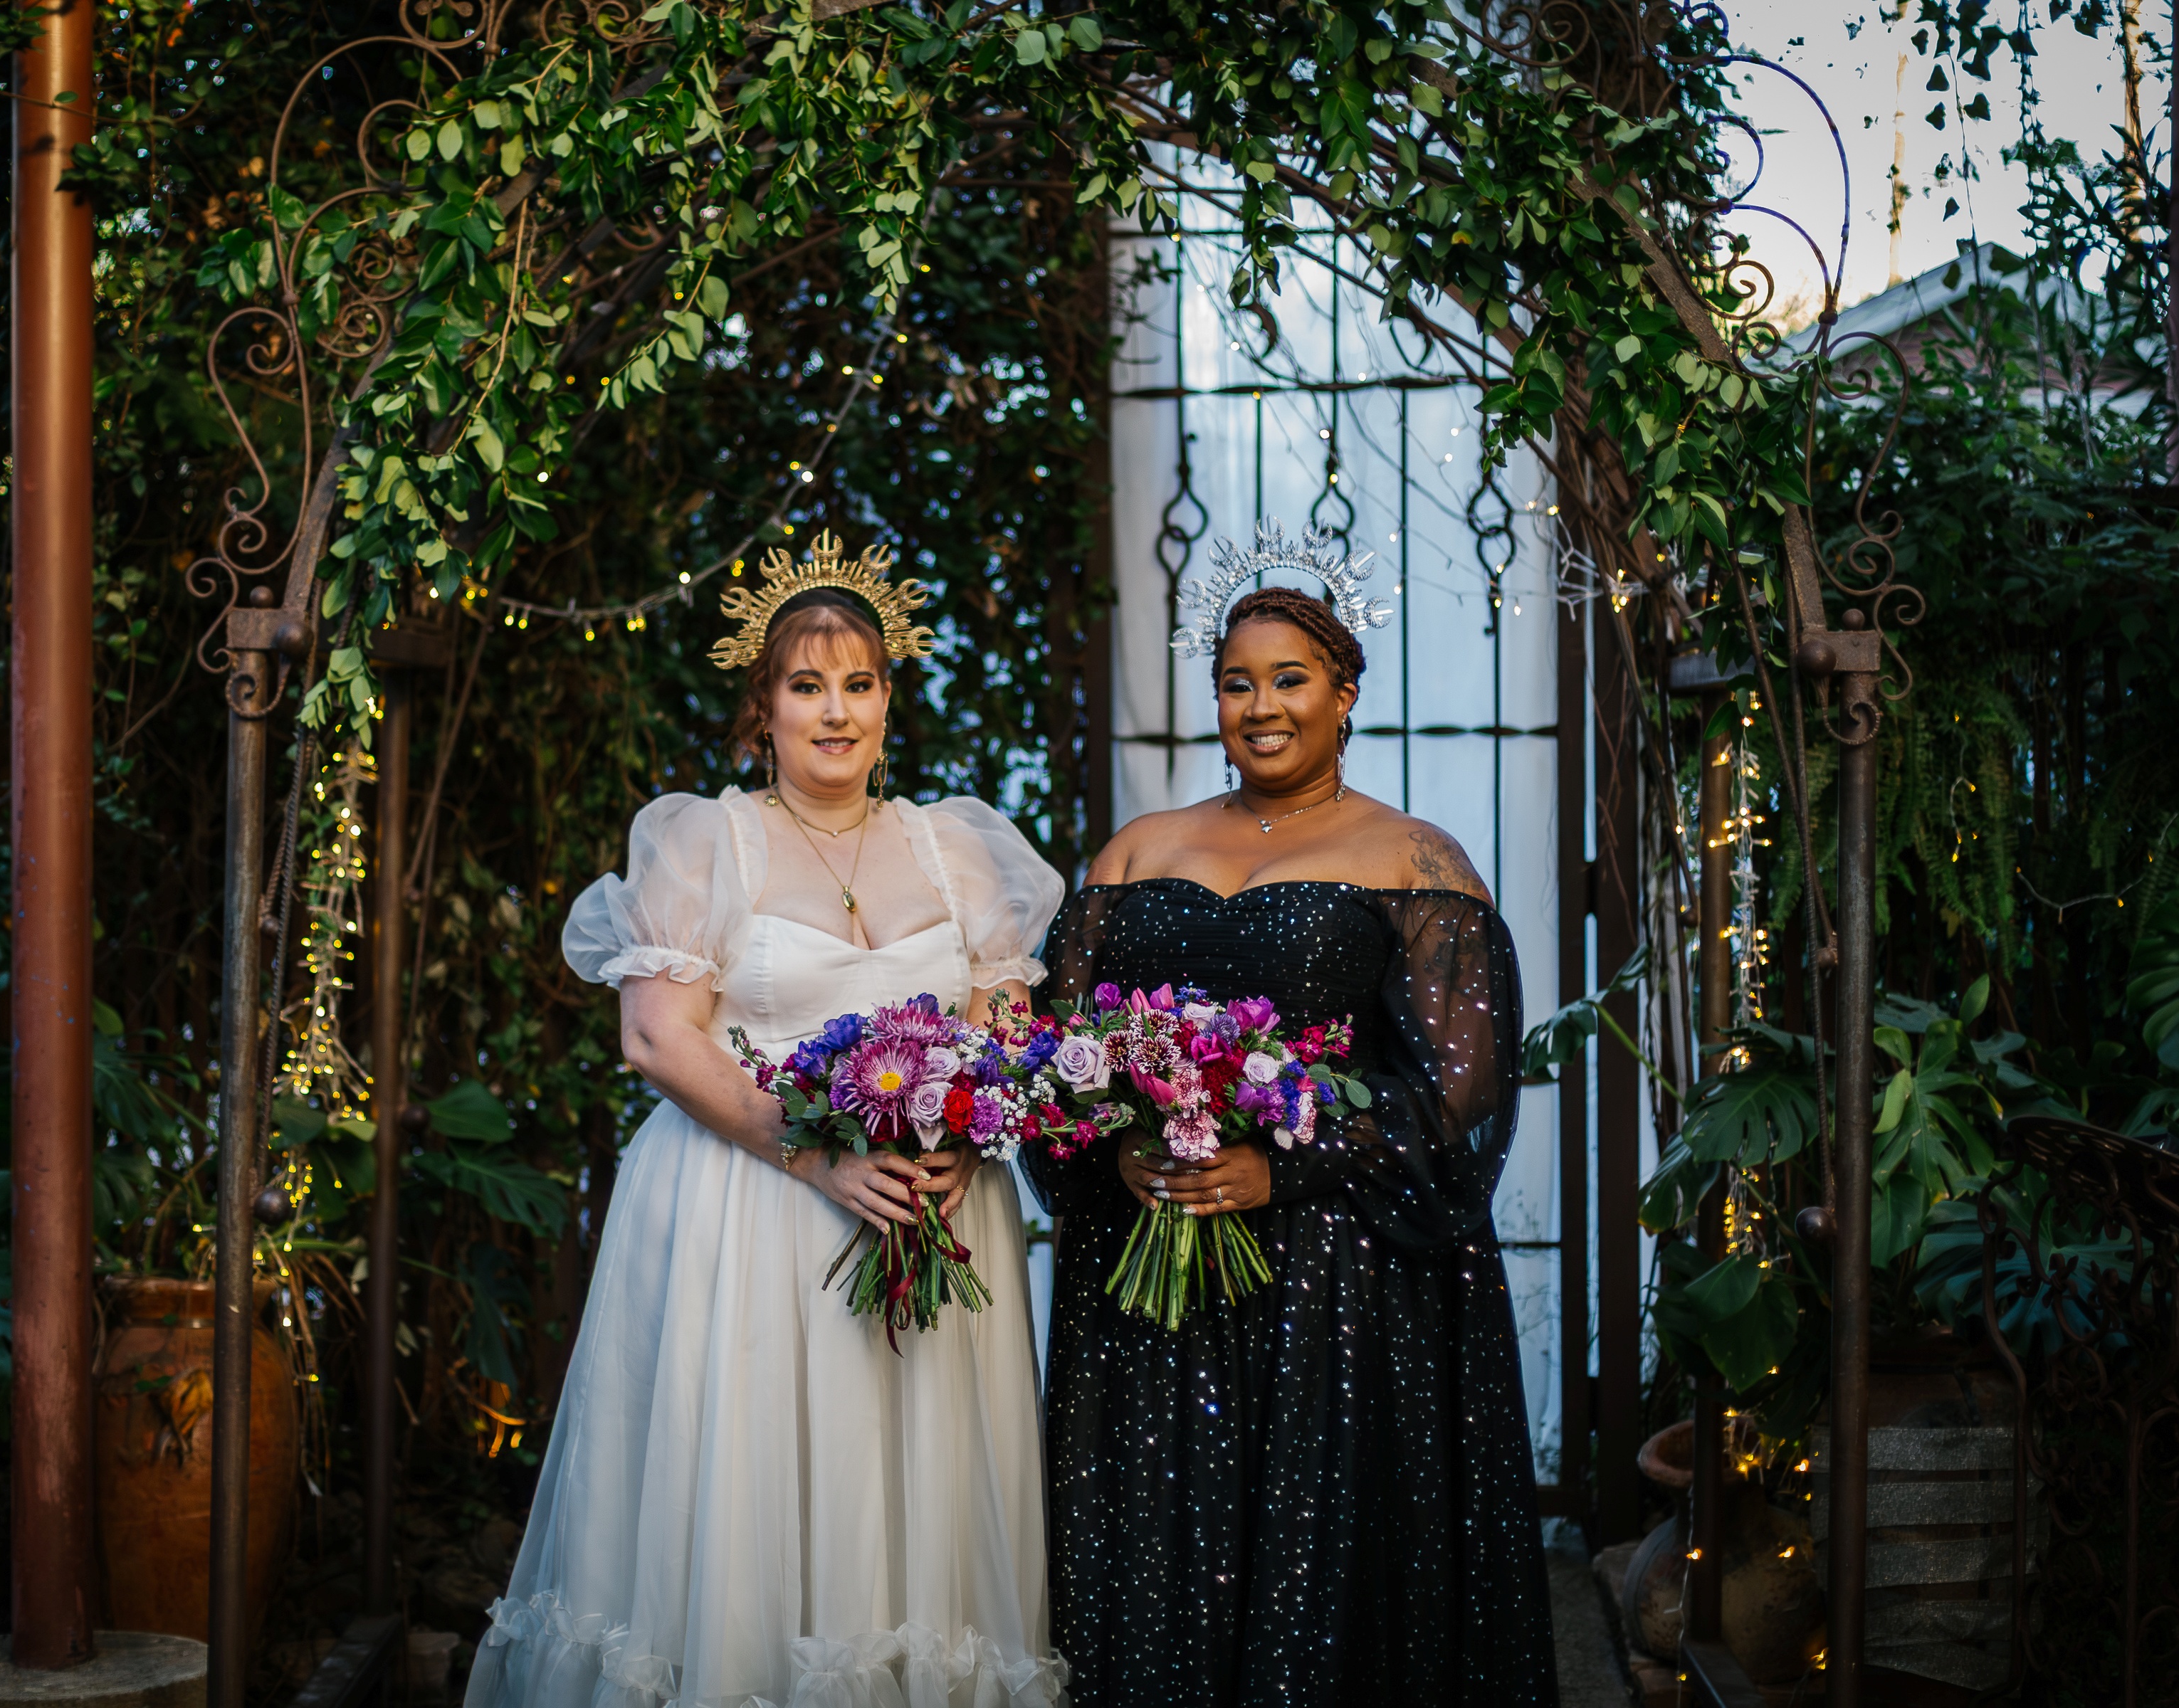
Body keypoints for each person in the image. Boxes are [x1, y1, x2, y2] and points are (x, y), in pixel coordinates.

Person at [467, 535, 1069, 1708]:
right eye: (807, 686)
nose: (835, 712)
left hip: (931, 1206)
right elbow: (658, 1037)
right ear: (764, 708)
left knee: (913, 1481)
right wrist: (813, 1155)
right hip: (747, 1207)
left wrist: (965, 1130)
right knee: (755, 1477)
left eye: (859, 684)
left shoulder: (957, 852)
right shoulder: (706, 841)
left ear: (889, 699)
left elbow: (1005, 1028)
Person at [1026, 574, 1558, 1706]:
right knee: (1158, 1563)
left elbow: (1464, 1097)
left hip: (1333, 1291)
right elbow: (1052, 1059)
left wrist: (1288, 1165)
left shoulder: (1416, 860)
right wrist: (1112, 1150)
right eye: (1237, 684)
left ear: (1344, 693)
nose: (1260, 707)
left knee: (1316, 1575)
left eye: (1289, 680)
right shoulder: (1134, 853)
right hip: (1147, 1289)